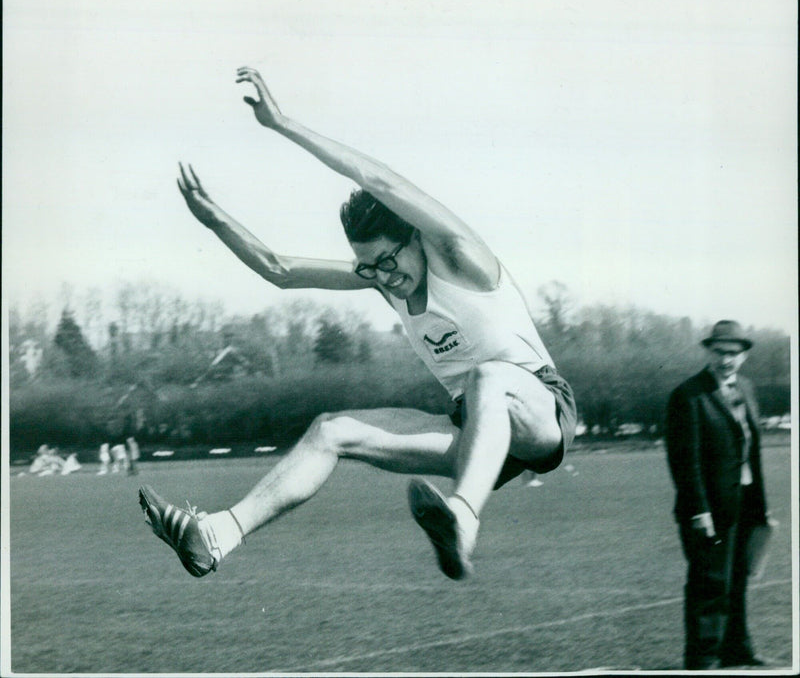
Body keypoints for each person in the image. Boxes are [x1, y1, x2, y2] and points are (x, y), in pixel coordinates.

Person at [139, 66, 577, 581]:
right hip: (474, 431)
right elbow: (279, 271)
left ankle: (461, 519)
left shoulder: (461, 259)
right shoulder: (383, 276)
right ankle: (216, 535)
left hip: (539, 411)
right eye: (370, 268)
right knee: (331, 430)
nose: (385, 278)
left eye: (390, 261)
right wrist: (216, 221)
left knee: (489, 376)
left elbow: (378, 180)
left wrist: (280, 124)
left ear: (416, 239)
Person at [665, 320, 772, 669]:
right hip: (708, 508)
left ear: (743, 356)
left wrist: (760, 507)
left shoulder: (747, 388)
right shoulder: (689, 395)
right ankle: (704, 658)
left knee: (738, 579)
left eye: (733, 353)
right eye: (719, 352)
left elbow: (751, 449)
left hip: (746, 502)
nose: (726, 359)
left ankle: (737, 649)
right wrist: (699, 510)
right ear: (709, 352)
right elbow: (685, 460)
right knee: (710, 582)